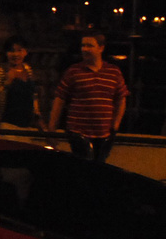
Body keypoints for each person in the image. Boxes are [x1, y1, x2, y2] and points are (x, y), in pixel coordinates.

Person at [49, 31, 128, 162]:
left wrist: (115, 124)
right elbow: (60, 99)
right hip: (78, 130)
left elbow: (121, 98)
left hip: (104, 132)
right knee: (84, 162)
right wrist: (52, 128)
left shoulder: (113, 72)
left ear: (101, 48)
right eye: (83, 45)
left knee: (99, 164)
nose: (84, 49)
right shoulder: (74, 71)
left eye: (89, 45)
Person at [0, 34, 39, 129]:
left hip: (26, 125)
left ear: (25, 52)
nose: (16, 54)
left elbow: (33, 95)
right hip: (5, 125)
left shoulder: (27, 70)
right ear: (6, 53)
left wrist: (36, 113)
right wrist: (7, 83)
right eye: (11, 51)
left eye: (20, 50)